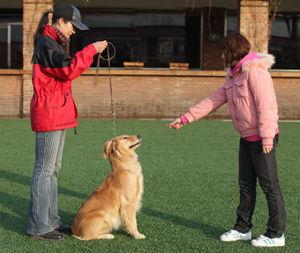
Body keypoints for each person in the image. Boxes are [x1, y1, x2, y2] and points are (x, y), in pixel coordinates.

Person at [169, 32, 286, 247]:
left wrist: (267, 138)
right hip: (246, 137)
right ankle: (243, 228)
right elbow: (214, 100)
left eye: (224, 51)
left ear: (231, 51)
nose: (222, 55)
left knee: (269, 186)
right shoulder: (234, 74)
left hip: (262, 138)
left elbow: (266, 105)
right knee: (246, 185)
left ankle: (276, 234)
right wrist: (185, 118)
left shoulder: (255, 73)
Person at [27, 5, 108, 240]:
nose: (74, 31)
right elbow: (68, 69)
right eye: (73, 26)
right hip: (50, 113)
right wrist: (91, 50)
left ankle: (50, 222)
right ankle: (39, 227)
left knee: (52, 170)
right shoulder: (46, 43)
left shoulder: (52, 43)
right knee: (44, 171)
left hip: (57, 112)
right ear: (61, 21)